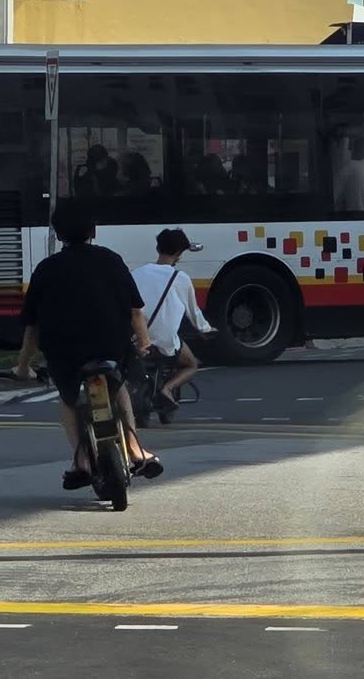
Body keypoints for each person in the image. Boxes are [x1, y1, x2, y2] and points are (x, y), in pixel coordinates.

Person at [14, 197, 161, 489]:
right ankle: (134, 449)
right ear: (93, 231)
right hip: (111, 346)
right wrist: (143, 341)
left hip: (65, 353)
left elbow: (32, 327)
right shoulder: (111, 260)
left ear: (57, 234)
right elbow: (135, 311)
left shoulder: (46, 269)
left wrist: (22, 365)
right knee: (118, 388)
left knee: (69, 399)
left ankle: (79, 461)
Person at [131, 228, 214, 407]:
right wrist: (207, 329)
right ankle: (167, 389)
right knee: (191, 364)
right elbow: (194, 314)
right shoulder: (180, 278)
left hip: (136, 337)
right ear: (179, 253)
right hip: (163, 340)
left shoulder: (137, 273)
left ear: (158, 248)